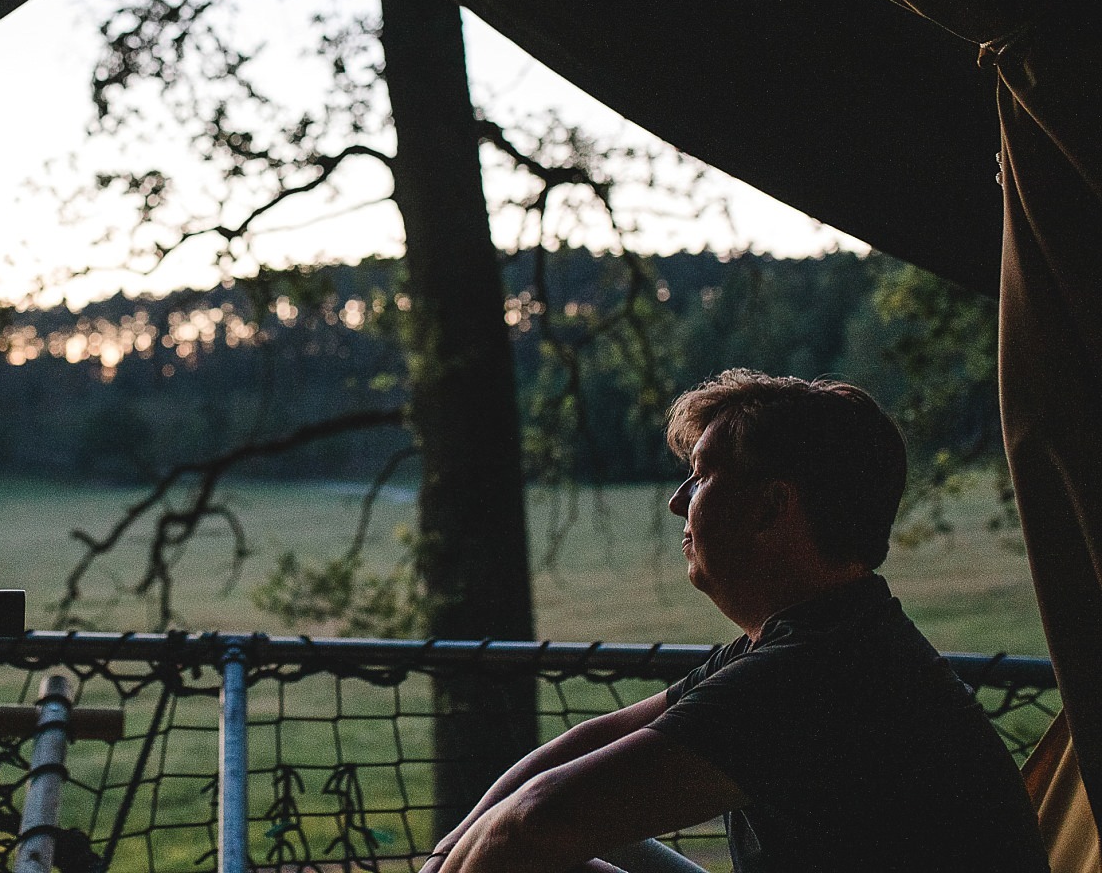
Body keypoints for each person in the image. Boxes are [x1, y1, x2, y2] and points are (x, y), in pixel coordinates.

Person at [423, 370, 1048, 873]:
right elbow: (586, 747)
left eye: (700, 478)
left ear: (774, 509)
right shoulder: (827, 635)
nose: (676, 504)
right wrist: (450, 854)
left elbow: (537, 820)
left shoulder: (819, 672)